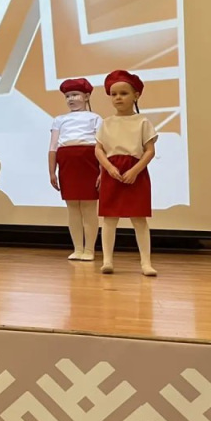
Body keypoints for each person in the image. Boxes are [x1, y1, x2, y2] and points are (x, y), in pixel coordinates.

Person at [95, 70, 158, 277]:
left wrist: (135, 170)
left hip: (135, 172)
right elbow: (99, 149)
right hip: (112, 172)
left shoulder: (142, 122)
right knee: (109, 219)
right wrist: (108, 167)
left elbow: (150, 150)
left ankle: (146, 262)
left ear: (136, 95)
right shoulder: (106, 123)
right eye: (114, 94)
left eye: (123, 93)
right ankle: (107, 260)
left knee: (139, 219)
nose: (118, 98)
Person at [49, 78, 103, 261]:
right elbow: (53, 147)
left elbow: (101, 146)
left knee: (89, 207)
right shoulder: (59, 120)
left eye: (75, 95)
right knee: (72, 207)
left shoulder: (95, 118)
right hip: (67, 162)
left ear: (86, 96)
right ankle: (78, 248)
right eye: (67, 96)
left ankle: (89, 249)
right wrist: (52, 171)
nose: (70, 99)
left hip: (89, 160)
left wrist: (102, 171)